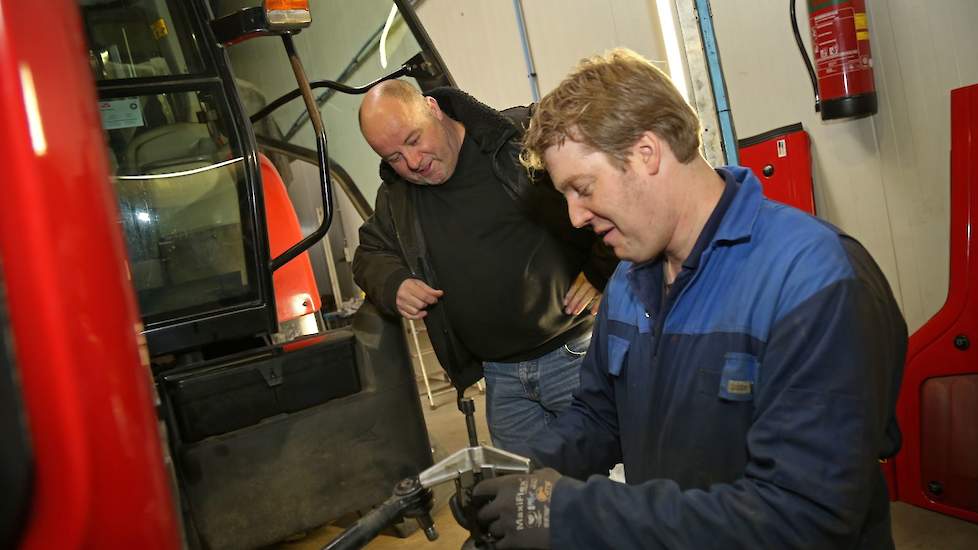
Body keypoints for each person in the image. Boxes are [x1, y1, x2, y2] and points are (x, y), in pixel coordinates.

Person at [470, 48, 907, 549]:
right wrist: (523, 474)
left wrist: (571, 514)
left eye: (582, 188)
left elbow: (800, 519)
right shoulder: (630, 282)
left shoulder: (813, 281)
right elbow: (598, 415)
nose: (574, 217)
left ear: (646, 153)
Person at [353, 80, 618, 450]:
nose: (412, 163)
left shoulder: (516, 141)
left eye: (414, 140)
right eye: (394, 157)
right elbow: (369, 254)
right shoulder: (398, 197)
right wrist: (394, 282)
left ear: (432, 107)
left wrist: (601, 268)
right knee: (529, 498)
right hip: (501, 379)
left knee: (608, 480)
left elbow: (609, 186)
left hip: (573, 355)